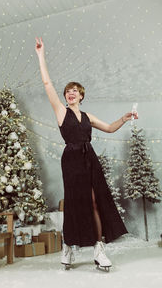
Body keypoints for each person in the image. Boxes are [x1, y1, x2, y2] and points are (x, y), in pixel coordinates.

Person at [35, 37, 138, 270]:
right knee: (74, 203)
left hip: (89, 158)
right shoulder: (61, 112)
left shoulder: (88, 116)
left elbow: (110, 128)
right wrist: (41, 56)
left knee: (94, 202)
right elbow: (47, 85)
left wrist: (126, 117)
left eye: (75, 91)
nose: (70, 93)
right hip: (71, 160)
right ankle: (68, 246)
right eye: (68, 91)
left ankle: (98, 248)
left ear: (81, 95)